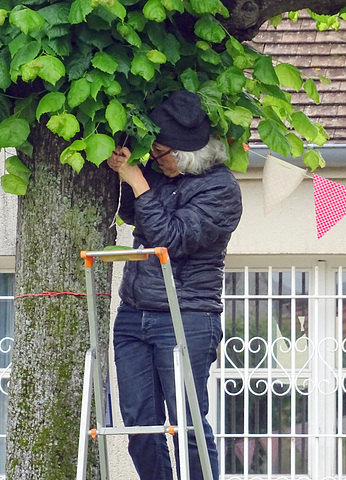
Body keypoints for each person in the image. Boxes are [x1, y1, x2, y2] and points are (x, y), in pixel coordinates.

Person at [107, 90, 243, 480]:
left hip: (187, 318)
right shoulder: (159, 174)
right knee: (139, 428)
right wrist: (130, 171)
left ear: (186, 156)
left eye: (160, 153)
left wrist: (138, 180)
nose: (153, 159)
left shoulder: (222, 191)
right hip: (134, 315)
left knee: (188, 425)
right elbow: (131, 210)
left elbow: (169, 239)